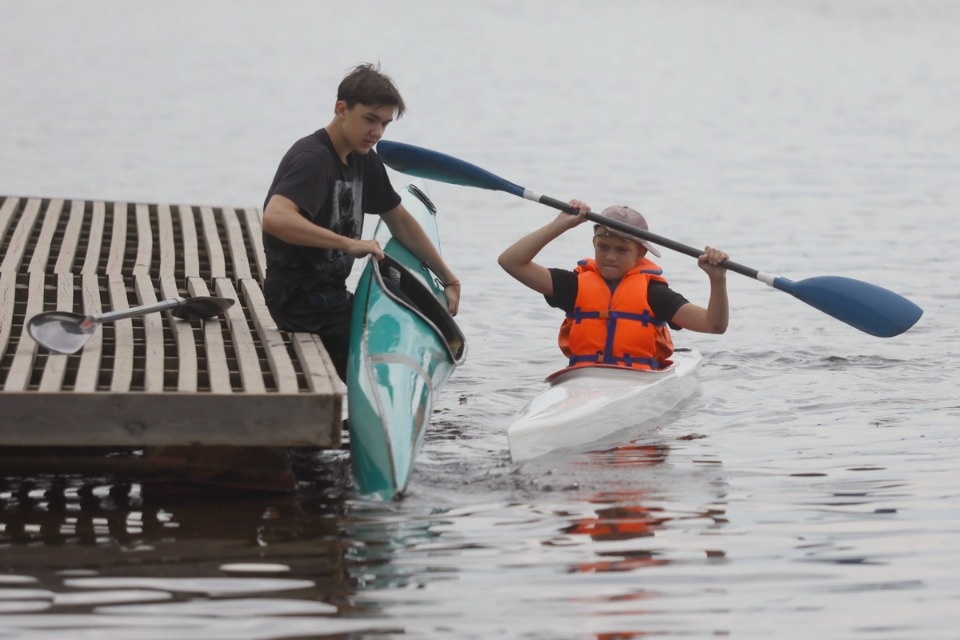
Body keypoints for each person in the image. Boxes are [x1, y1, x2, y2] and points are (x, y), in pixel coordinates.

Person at [261, 63, 461, 381]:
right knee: (384, 364)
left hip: (332, 297)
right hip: (300, 303)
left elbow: (399, 220)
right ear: (342, 109)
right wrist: (347, 243)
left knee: (408, 328)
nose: (378, 132)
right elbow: (275, 217)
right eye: (370, 119)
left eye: (384, 124)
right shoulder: (314, 159)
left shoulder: (363, 159)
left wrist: (449, 278)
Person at [498, 201, 728, 370]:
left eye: (621, 250)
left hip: (637, 380)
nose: (610, 256)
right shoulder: (574, 286)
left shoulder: (654, 294)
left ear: (640, 253)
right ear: (594, 243)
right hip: (581, 380)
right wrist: (560, 225)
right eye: (603, 246)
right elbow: (511, 262)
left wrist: (717, 279)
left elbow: (714, 324)